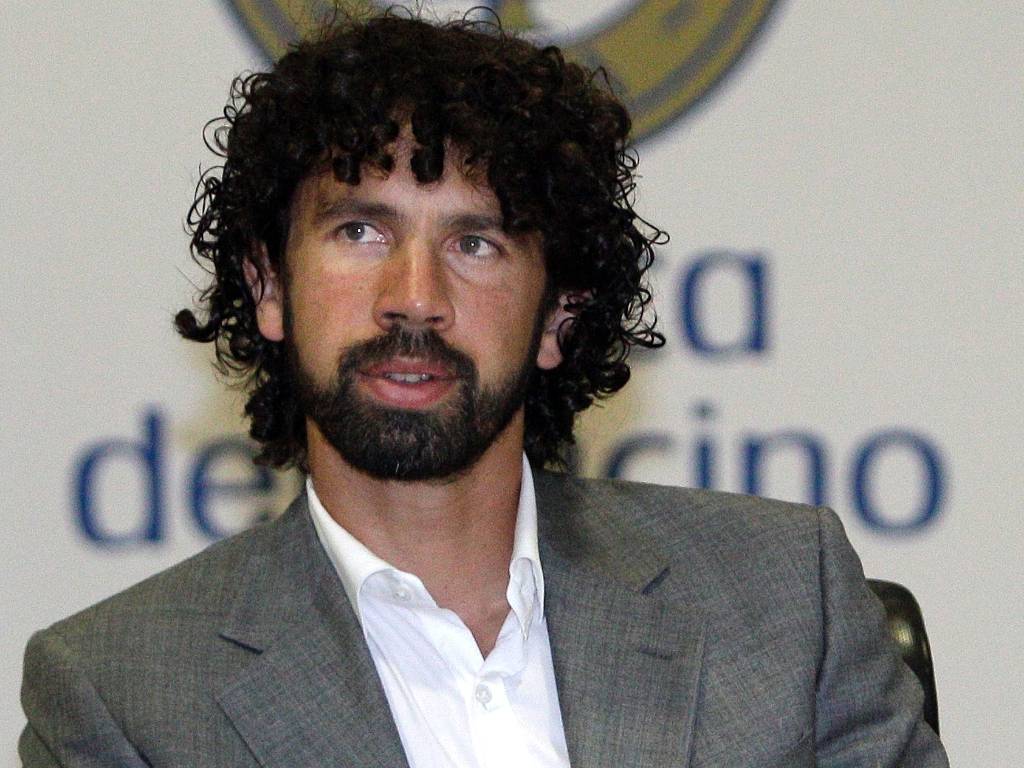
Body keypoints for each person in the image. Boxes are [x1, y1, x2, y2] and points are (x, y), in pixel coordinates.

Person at [20, 11, 948, 768]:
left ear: (557, 316)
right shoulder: (119, 695)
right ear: (268, 287)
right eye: (360, 232)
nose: (414, 297)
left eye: (475, 242)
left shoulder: (786, 598)